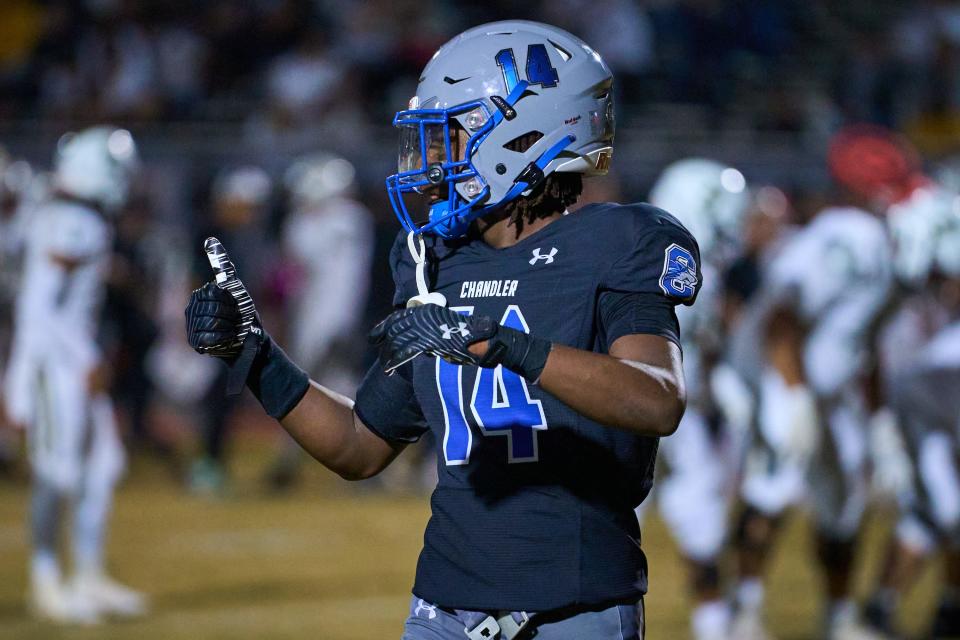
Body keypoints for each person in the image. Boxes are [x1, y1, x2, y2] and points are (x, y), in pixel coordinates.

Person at [185, 20, 699, 640]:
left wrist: (504, 345)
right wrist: (255, 354)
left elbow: (655, 398)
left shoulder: (618, 242)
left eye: (450, 134)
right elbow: (359, 444)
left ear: (520, 132)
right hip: (440, 613)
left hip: (575, 612)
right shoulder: (434, 258)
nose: (432, 159)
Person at [728, 126, 899, 640]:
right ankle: (746, 613)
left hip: (830, 386)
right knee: (772, 490)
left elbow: (862, 341)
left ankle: (840, 615)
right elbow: (783, 318)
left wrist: (878, 412)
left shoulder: (857, 237)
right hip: (789, 376)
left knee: (844, 505)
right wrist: (796, 395)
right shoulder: (848, 237)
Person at [3, 127, 146, 623]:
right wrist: (78, 361)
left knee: (102, 464)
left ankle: (88, 574)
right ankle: (46, 582)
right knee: (57, 471)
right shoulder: (69, 219)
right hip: (55, 362)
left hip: (74, 360)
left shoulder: (72, 215)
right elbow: (38, 307)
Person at [637, 158, 752, 640]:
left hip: (671, 412)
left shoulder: (681, 262)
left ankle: (716, 629)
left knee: (703, 522)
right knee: (601, 526)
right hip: (631, 411)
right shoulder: (649, 261)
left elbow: (698, 341)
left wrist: (712, 383)